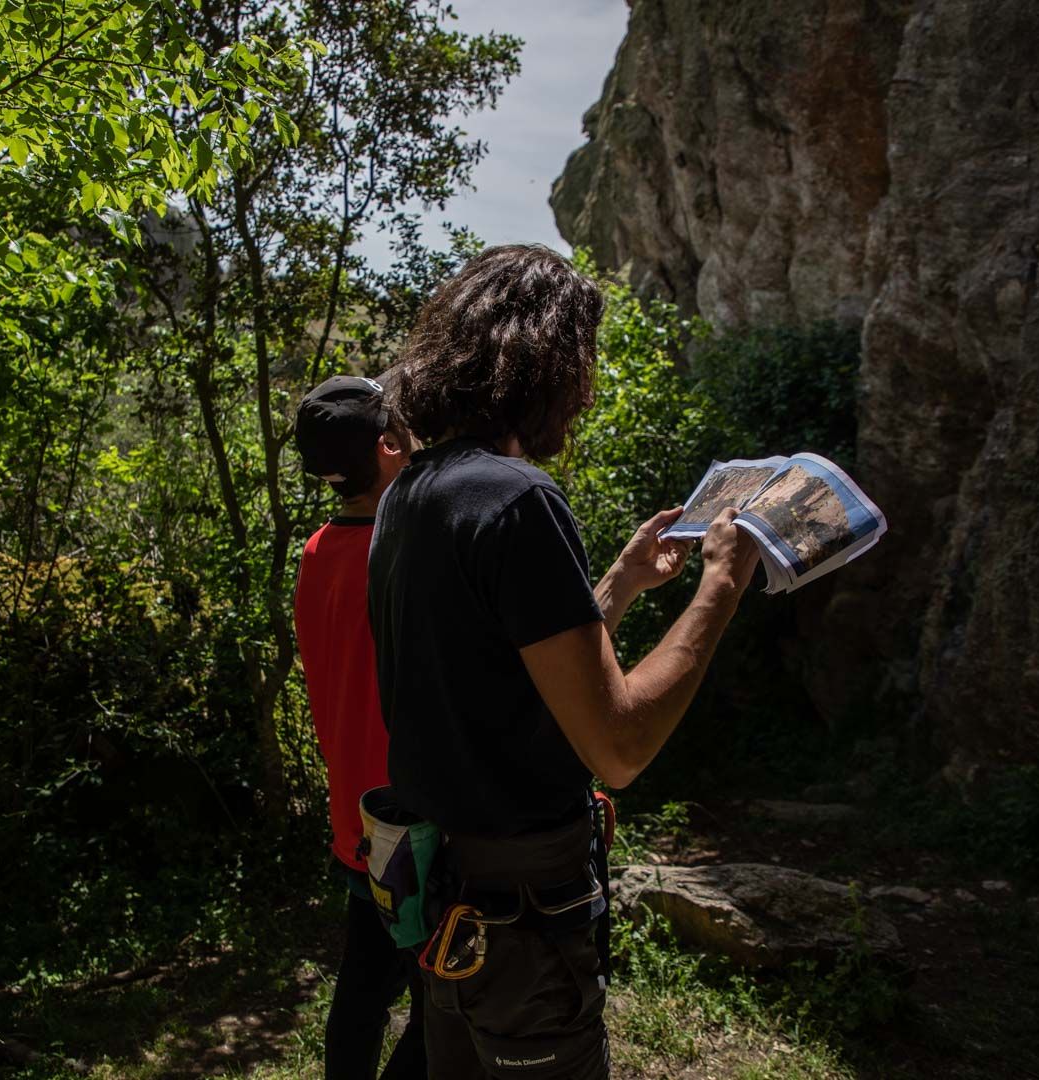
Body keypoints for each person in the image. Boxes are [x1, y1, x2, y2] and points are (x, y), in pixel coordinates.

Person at [367, 245, 761, 1078]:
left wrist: (614, 586)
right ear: (547, 361)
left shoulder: (414, 492)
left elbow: (500, 667)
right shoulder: (519, 497)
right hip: (527, 916)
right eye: (582, 360)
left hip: (448, 898)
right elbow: (616, 746)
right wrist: (721, 586)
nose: (585, 391)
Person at [293, 373, 428, 1080]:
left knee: (365, 988)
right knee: (443, 1005)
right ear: (387, 444)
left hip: (357, 819)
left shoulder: (318, 551)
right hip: (417, 826)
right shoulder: (403, 553)